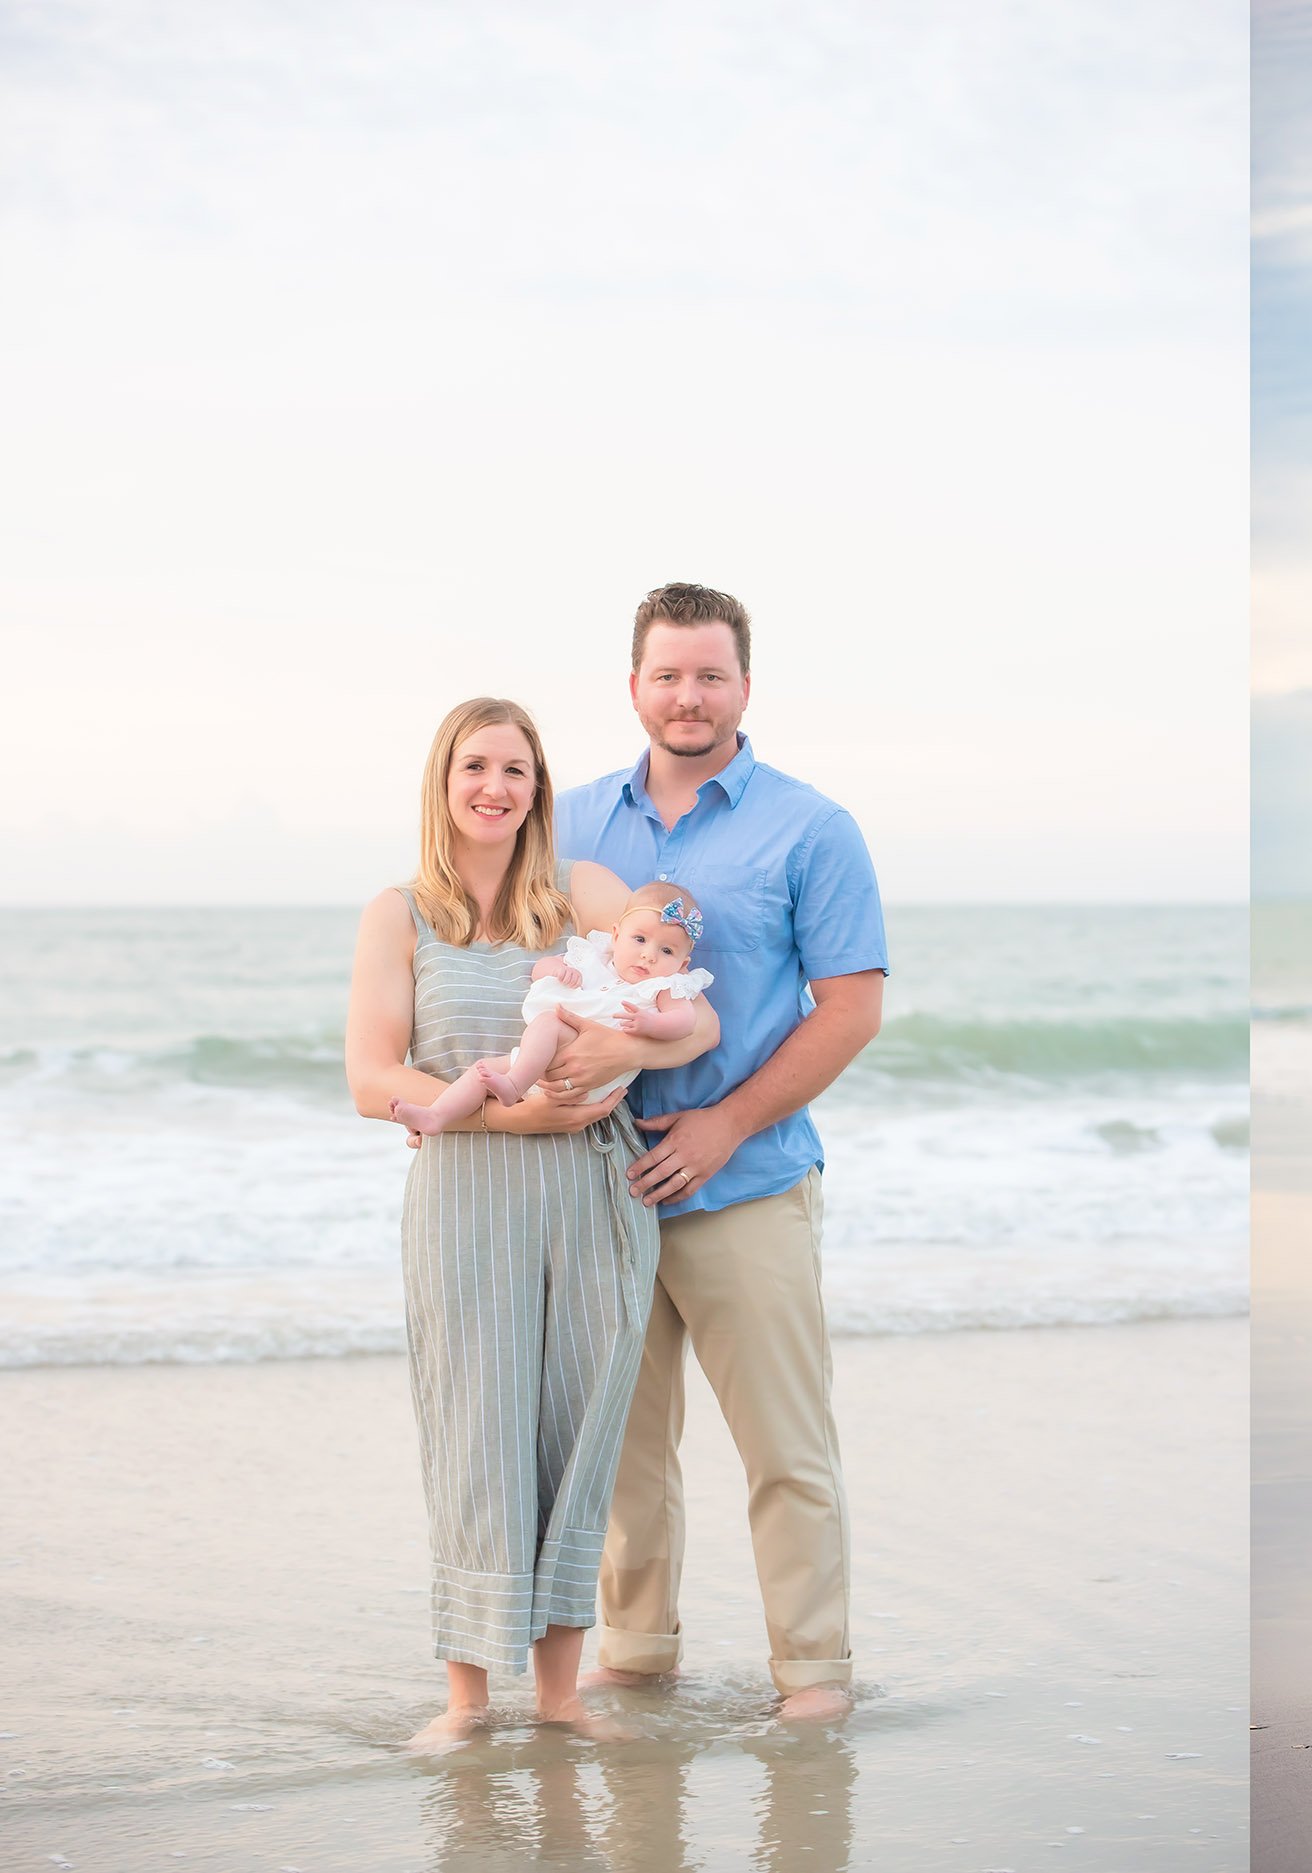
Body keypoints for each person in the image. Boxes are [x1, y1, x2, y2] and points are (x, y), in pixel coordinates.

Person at [344, 697, 722, 1752]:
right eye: (475, 766)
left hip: (594, 1204)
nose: (495, 787)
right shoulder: (399, 914)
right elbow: (372, 1078)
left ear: (538, 788)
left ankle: (560, 1699)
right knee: (475, 1435)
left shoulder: (584, 898)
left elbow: (699, 1014)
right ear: (444, 781)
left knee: (575, 1437)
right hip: (467, 1202)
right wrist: (517, 1113)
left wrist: (622, 1056)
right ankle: (468, 1701)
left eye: (515, 769)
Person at [549, 583, 888, 1724]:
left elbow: (848, 1008)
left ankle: (813, 1675)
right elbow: (528, 977)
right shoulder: (572, 822)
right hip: (601, 1189)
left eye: (709, 675)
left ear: (745, 686)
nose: (686, 696)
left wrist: (725, 1123)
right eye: (666, 674)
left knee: (786, 1449)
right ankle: (636, 1652)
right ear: (632, 685)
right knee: (623, 1454)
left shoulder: (812, 827)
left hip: (746, 1183)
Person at [389, 881, 714, 1137]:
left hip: (589, 1073)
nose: (648, 956)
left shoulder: (663, 987)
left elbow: (685, 1022)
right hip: (545, 1058)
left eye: (666, 950)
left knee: (545, 1022)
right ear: (616, 935)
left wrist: (649, 1025)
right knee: (483, 1070)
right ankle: (435, 1116)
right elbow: (540, 969)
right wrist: (556, 970)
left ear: (682, 963)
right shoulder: (594, 959)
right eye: (640, 939)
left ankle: (514, 1085)